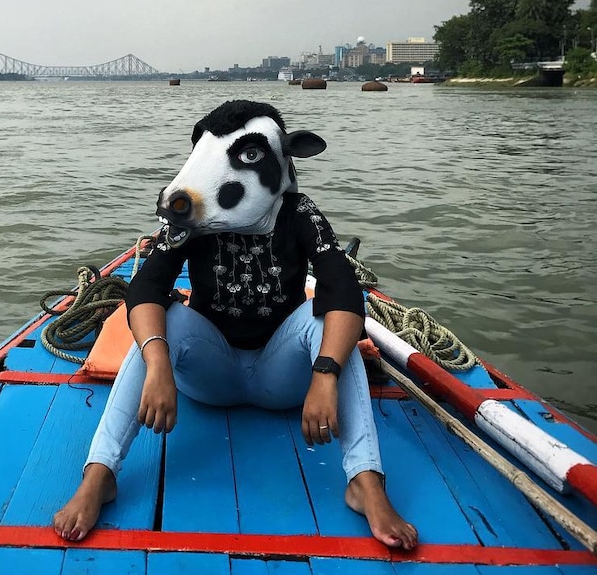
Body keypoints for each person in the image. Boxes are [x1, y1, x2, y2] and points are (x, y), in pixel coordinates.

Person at [53, 100, 418, 550]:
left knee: (330, 324)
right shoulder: (191, 220)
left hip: (281, 376)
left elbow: (342, 288)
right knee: (162, 322)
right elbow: (146, 288)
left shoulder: (299, 213)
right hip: (212, 373)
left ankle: (365, 481)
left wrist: (325, 375)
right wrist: (159, 361)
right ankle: (100, 474)